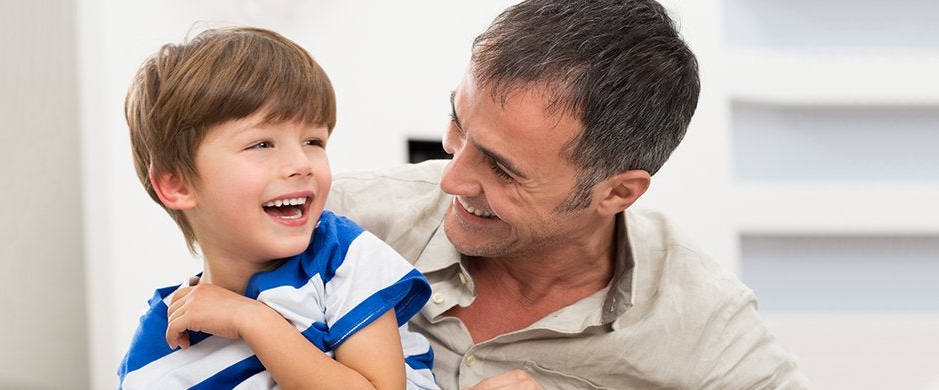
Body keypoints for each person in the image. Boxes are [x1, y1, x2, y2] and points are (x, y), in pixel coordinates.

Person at [325, 0, 808, 388]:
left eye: (502, 168)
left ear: (618, 192)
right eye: (459, 122)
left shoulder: (704, 324)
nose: (451, 179)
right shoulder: (339, 220)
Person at [117, 27, 438, 389]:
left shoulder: (342, 257)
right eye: (262, 144)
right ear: (176, 184)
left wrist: (253, 321)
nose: (302, 163)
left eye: (313, 140)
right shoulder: (157, 352)